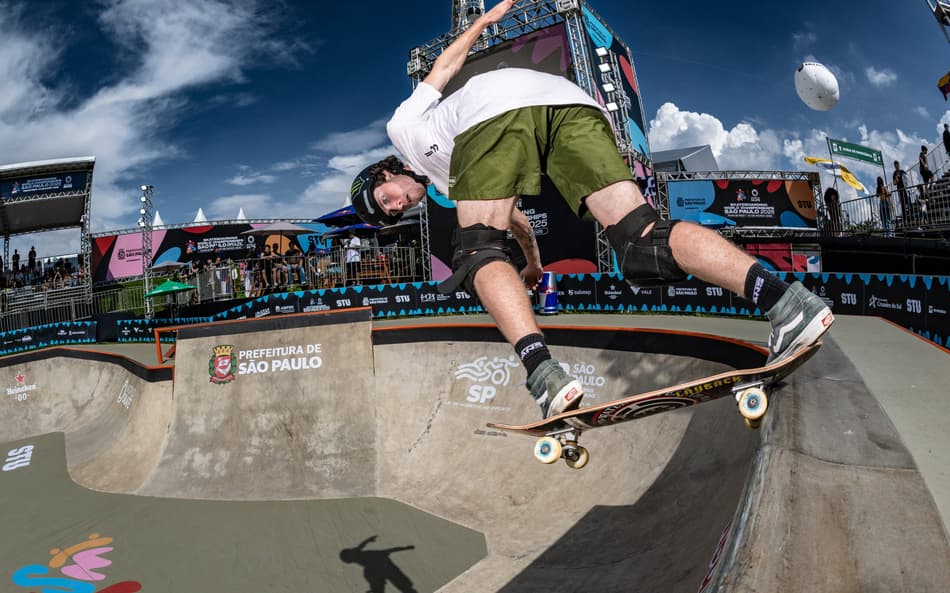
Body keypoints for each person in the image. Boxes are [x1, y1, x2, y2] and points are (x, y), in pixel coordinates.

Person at [349, 0, 834, 420]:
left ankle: (543, 375)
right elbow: (514, 222)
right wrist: (535, 263)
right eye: (389, 212)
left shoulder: (402, 128)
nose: (395, 205)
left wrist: (483, 22)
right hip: (570, 107)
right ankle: (786, 304)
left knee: (477, 251)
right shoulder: (454, 182)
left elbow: (443, 70)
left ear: (387, 171)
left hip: (496, 110)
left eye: (384, 196)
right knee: (642, 238)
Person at [892, 161, 911, 226]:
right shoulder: (894, 173)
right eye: (895, 165)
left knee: (908, 203)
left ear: (899, 165)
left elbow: (907, 179)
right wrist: (896, 178)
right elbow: (894, 183)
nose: (896, 166)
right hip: (900, 190)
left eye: (897, 165)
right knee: (902, 204)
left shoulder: (902, 171)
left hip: (905, 189)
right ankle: (905, 220)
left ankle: (911, 217)